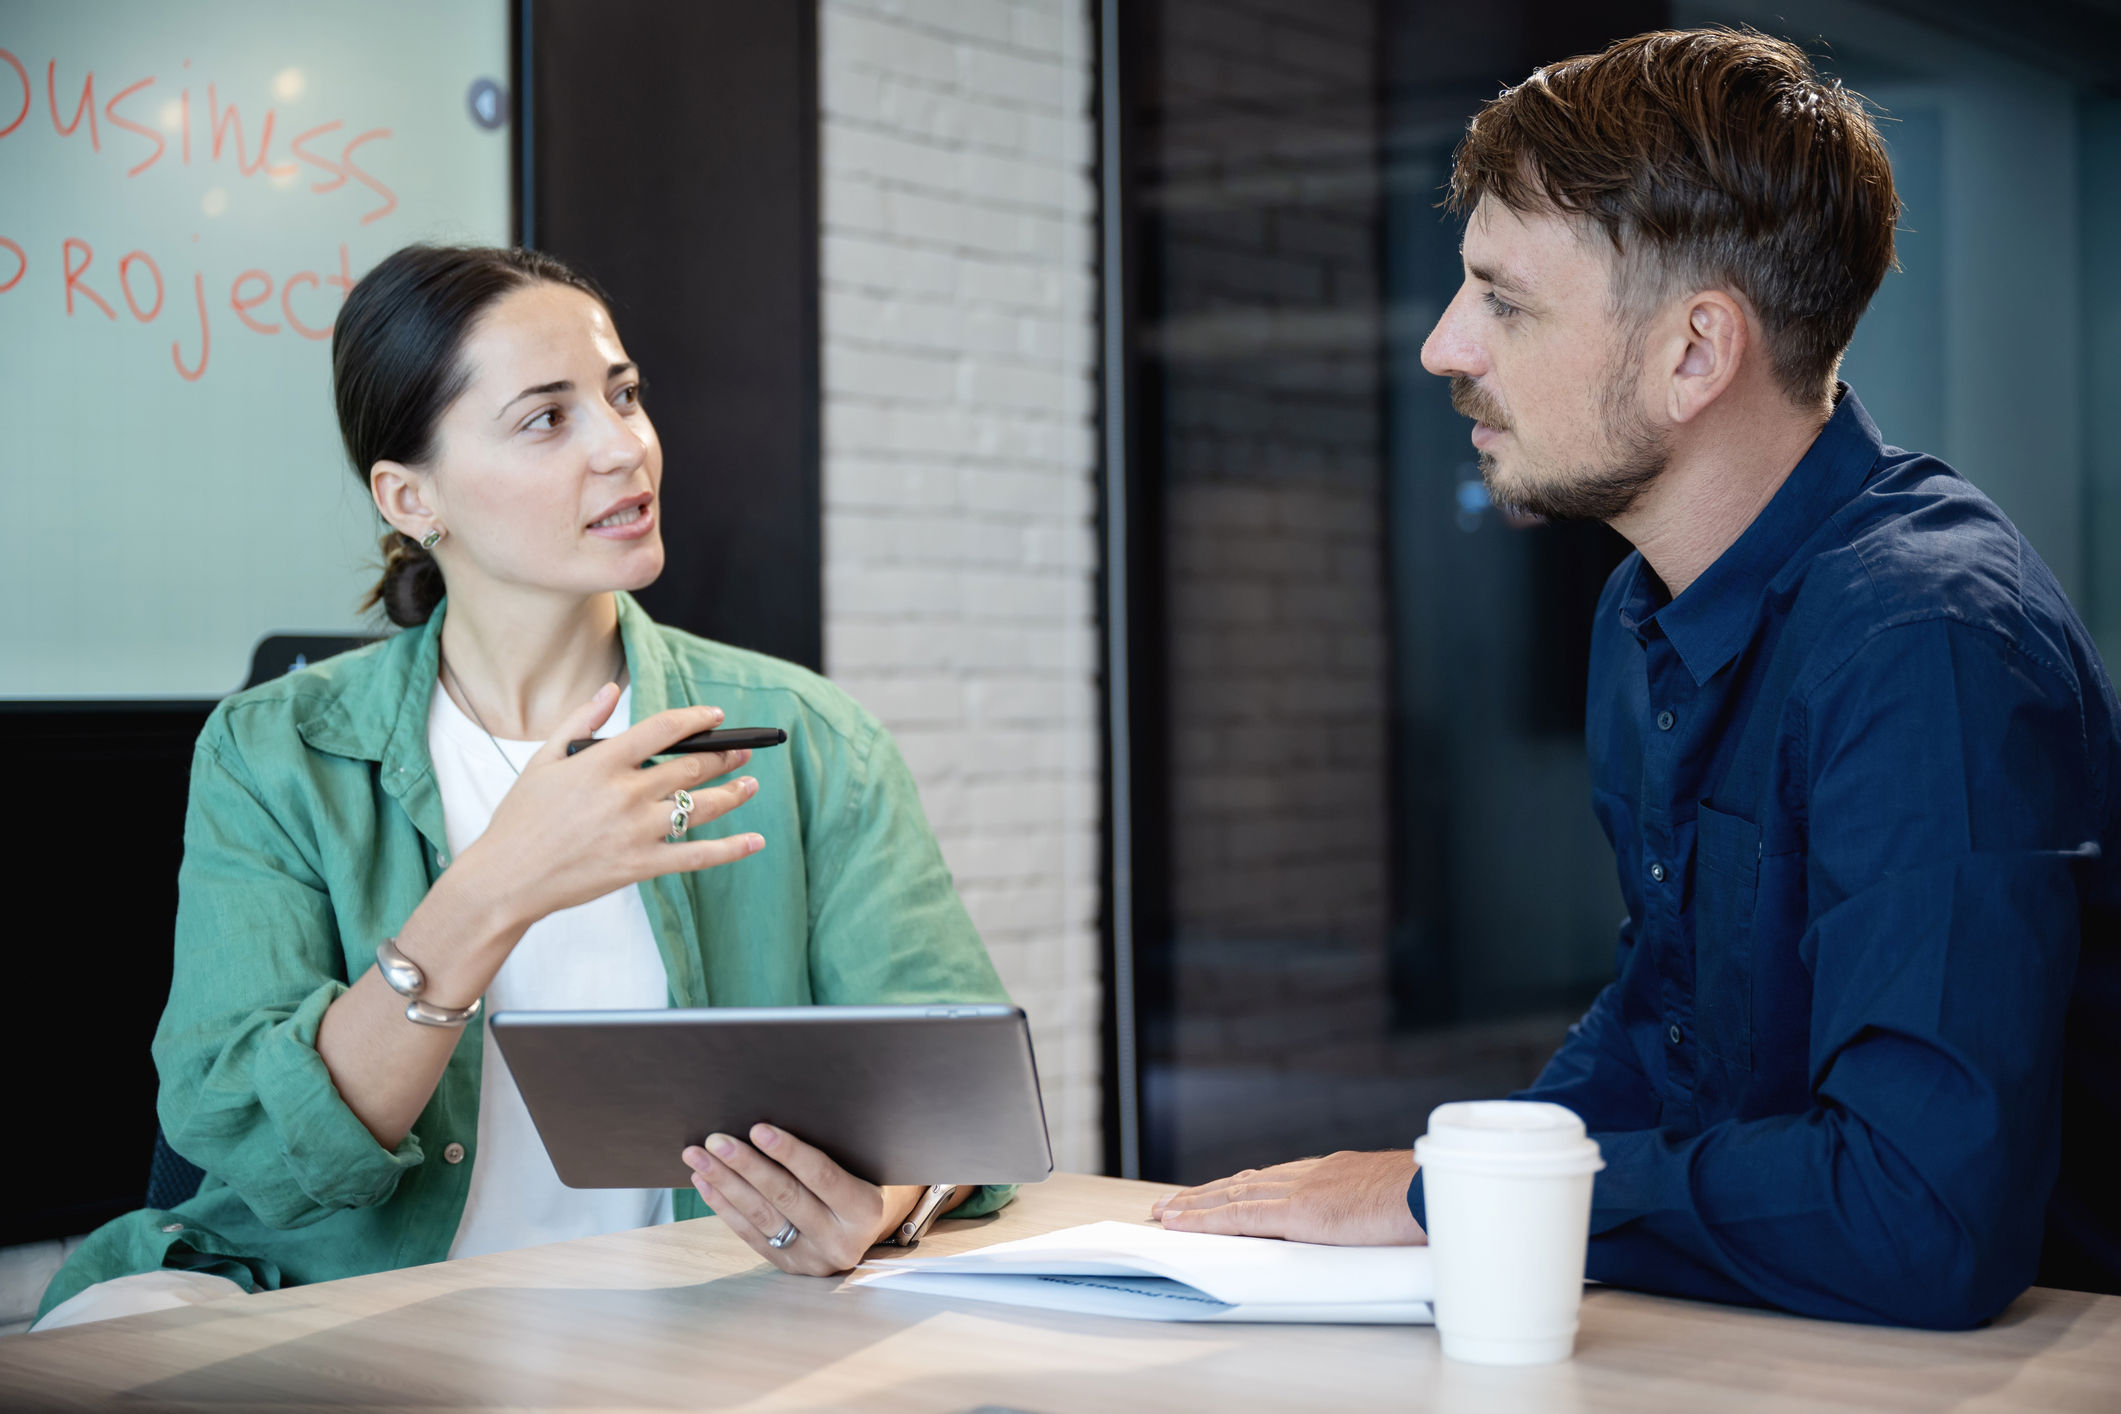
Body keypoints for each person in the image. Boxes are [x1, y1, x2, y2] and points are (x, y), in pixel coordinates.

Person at [1153, 28, 2121, 1328]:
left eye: (1502, 300)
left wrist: (1474, 1193)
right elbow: (1674, 1007)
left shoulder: (1927, 644)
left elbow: (1922, 1215)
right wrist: (1474, 1167)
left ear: (1691, 355)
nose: (1445, 347)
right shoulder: (1645, 608)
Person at [36, 244, 1012, 1329]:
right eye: (547, 418)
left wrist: (877, 1204)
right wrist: (496, 886)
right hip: (333, 1314)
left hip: (677, 1324)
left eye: (623, 395)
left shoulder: (815, 741)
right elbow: (252, 1148)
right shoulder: (277, 749)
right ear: (413, 497)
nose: (623, 447)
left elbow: (960, 1098)